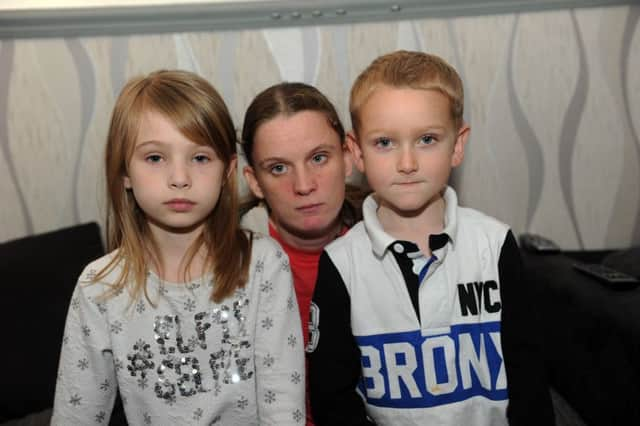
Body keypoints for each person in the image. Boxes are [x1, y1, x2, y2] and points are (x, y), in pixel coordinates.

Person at [308, 51, 555, 425]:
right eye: (385, 143)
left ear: (457, 144)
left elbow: (530, 380)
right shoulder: (342, 264)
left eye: (426, 139)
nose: (407, 163)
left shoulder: (494, 244)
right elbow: (333, 397)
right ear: (356, 152)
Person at [51, 70, 305, 425]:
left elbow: (283, 407)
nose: (180, 178)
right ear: (124, 170)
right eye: (155, 158)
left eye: (200, 158)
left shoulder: (263, 265)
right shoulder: (99, 286)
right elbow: (75, 416)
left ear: (227, 171)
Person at [240, 82, 363, 426]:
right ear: (254, 181)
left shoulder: (391, 247)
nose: (304, 185)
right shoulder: (231, 267)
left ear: (349, 157)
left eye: (319, 158)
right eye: (279, 168)